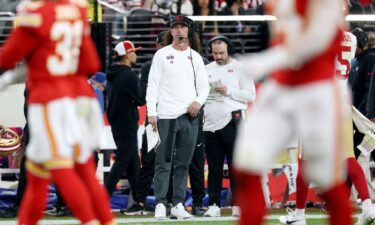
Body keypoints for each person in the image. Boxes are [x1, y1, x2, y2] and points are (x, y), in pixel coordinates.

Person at [233, 0, 353, 225]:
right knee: (247, 164)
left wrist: (269, 60)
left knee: (326, 180)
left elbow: (317, 39)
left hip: (318, 90)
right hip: (280, 86)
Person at [0, 1, 115, 225]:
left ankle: (91, 220)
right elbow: (91, 62)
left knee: (61, 168)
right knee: (41, 173)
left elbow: (8, 56)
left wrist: (28, 67)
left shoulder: (34, 11)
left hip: (49, 101)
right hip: (78, 99)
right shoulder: (77, 9)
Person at [146, 15, 209, 220]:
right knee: (163, 162)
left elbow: (204, 86)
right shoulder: (162, 55)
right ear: (171, 31)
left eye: (183, 27)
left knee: (184, 162)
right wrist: (151, 113)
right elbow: (152, 85)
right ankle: (160, 204)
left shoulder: (196, 57)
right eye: (176, 27)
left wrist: (198, 102)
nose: (179, 30)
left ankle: (178, 204)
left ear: (188, 31)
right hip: (165, 115)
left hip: (189, 116)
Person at [203, 35, 256, 218]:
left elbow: (251, 95)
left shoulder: (241, 69)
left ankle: (238, 205)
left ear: (229, 50)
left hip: (233, 122)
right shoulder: (206, 69)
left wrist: (229, 91)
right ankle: (213, 205)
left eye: (221, 53)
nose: (217, 56)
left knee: (235, 166)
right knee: (214, 168)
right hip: (209, 125)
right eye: (214, 53)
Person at [121, 31, 169, 216]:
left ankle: (146, 202)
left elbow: (141, 97)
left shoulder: (150, 66)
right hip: (158, 120)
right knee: (154, 163)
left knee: (155, 163)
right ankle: (150, 202)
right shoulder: (150, 66)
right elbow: (142, 97)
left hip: (160, 120)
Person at [104, 40, 145, 207]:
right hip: (127, 124)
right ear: (127, 55)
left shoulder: (113, 73)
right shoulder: (128, 75)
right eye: (134, 51)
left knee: (133, 164)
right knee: (121, 163)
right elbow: (141, 99)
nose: (136, 54)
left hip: (118, 123)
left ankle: (139, 201)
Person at [349, 28, 375, 159]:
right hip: (360, 116)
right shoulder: (356, 61)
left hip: (365, 118)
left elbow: (370, 90)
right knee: (360, 152)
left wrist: (366, 113)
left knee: (360, 152)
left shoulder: (370, 59)